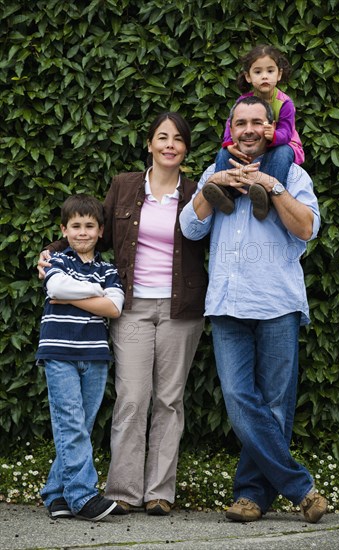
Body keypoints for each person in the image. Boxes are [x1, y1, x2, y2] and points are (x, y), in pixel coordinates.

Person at [38, 112, 208, 516]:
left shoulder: (197, 191)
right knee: (132, 397)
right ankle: (124, 491)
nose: (170, 145)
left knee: (169, 400)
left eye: (178, 139)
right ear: (149, 143)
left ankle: (160, 492)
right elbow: (97, 234)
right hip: (130, 305)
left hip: (181, 308)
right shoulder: (125, 185)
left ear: (185, 148)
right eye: (162, 137)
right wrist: (52, 253)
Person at [179, 96, 328, 524]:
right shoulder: (214, 172)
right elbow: (190, 228)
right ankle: (300, 487)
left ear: (268, 129)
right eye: (240, 122)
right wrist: (219, 185)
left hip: (277, 302)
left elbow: (306, 228)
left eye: (256, 122)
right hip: (227, 303)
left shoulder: (293, 173)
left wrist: (272, 185)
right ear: (231, 129)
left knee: (276, 406)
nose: (247, 129)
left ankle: (250, 496)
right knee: (240, 399)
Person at [36, 194, 124, 521]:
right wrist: (95, 292)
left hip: (95, 356)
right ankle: (83, 497)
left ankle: (56, 493)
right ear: (64, 229)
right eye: (75, 226)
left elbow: (114, 307)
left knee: (79, 426)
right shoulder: (56, 259)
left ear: (101, 231)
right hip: (59, 352)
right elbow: (56, 288)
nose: (83, 232)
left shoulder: (108, 269)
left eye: (89, 226)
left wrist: (82, 294)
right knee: (71, 422)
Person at [203, 44, 304, 221]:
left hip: (283, 144)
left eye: (270, 71)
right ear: (248, 77)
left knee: (281, 153)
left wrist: (273, 136)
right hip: (255, 142)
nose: (264, 76)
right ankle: (225, 193)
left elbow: (287, 133)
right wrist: (229, 144)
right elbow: (230, 125)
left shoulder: (285, 103)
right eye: (258, 72)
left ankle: (267, 196)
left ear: (278, 74)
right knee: (223, 153)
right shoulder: (243, 101)